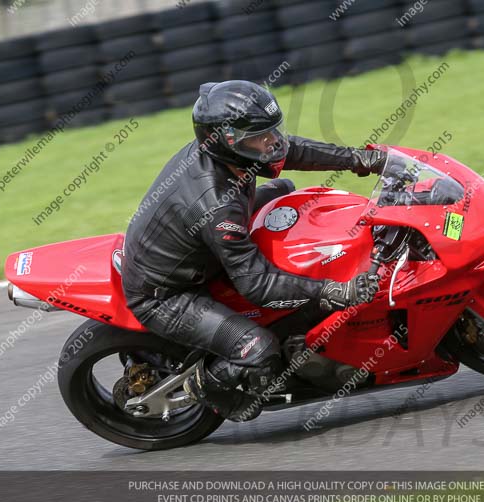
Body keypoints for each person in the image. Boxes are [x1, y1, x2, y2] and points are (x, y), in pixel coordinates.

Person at [122, 80, 387, 422]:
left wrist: (359, 159)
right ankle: (212, 389)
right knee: (260, 351)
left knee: (286, 191)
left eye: (271, 131)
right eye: (260, 138)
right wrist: (333, 291)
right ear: (226, 142)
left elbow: (291, 151)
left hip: (198, 248)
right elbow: (256, 286)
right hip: (167, 296)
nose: (271, 143)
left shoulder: (231, 155)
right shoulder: (217, 204)